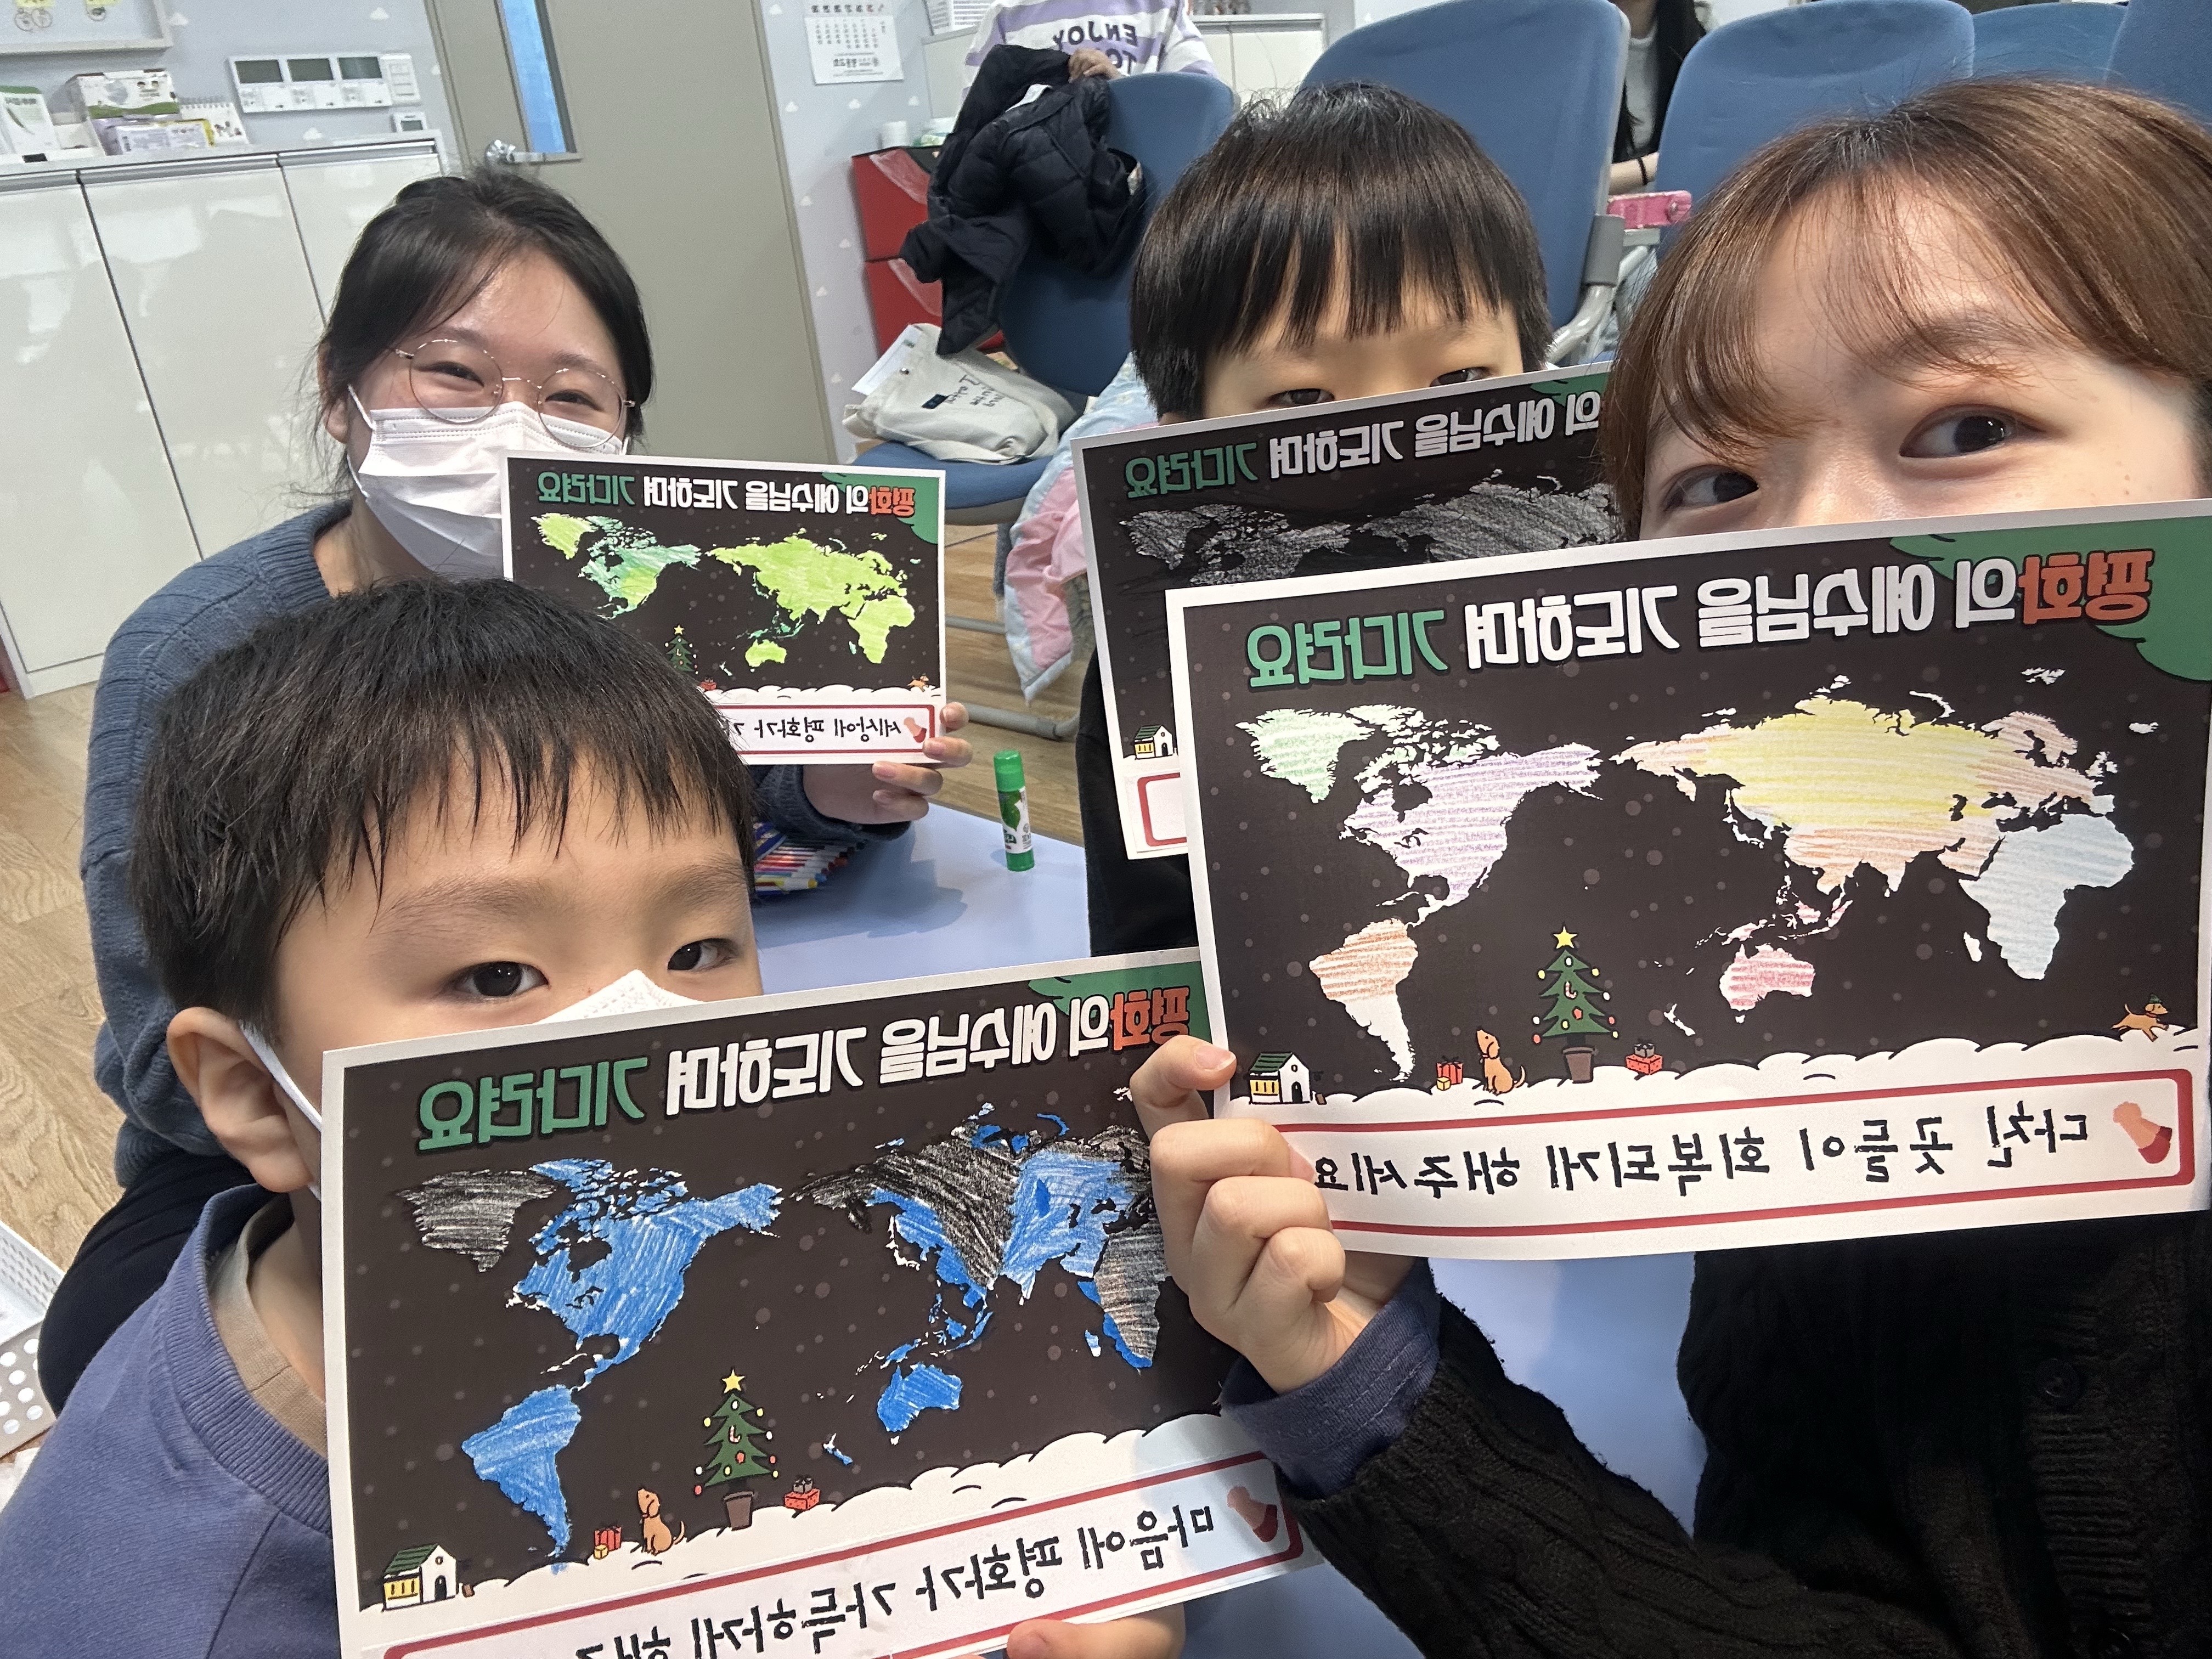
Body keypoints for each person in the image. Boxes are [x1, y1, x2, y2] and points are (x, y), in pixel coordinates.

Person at [1139, 77, 2212, 1651]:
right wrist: (1366, 1373)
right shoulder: (1793, 1070)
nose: (1808, 541)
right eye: (1718, 483)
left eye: (1967, 429)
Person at [0, 582, 1156, 1659]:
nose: (651, 1039)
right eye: (497, 976)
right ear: (255, 1094)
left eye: (696, 950)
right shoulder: (165, 1602)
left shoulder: (748, 1277)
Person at [43, 168, 973, 1411]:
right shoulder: (195, 654)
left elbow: (724, 829)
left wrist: (827, 791)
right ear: (339, 389)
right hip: (305, 1142)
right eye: (456, 374)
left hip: (654, 1085)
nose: (513, 427)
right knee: (118, 1348)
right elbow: (171, 1054)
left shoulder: (649, 592)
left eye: (571, 396)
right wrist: (464, 1117)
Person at [1078, 82, 1553, 956]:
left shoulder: (1608, 598)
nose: (1392, 457)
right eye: (1302, 399)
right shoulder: (1150, 666)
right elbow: (1150, 948)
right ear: (1183, 446)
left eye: (1459, 381)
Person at [964, 0, 1215, 81]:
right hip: (1032, 182)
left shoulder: (1163, 7)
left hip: (1145, 182)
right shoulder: (1006, 15)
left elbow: (1201, 103)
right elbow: (975, 127)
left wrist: (1116, 83)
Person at [1607, 0, 1704, 196]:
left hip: (1672, 209)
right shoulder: (1561, 39)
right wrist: (1656, 165)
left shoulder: (1700, 39)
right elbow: (1560, 183)